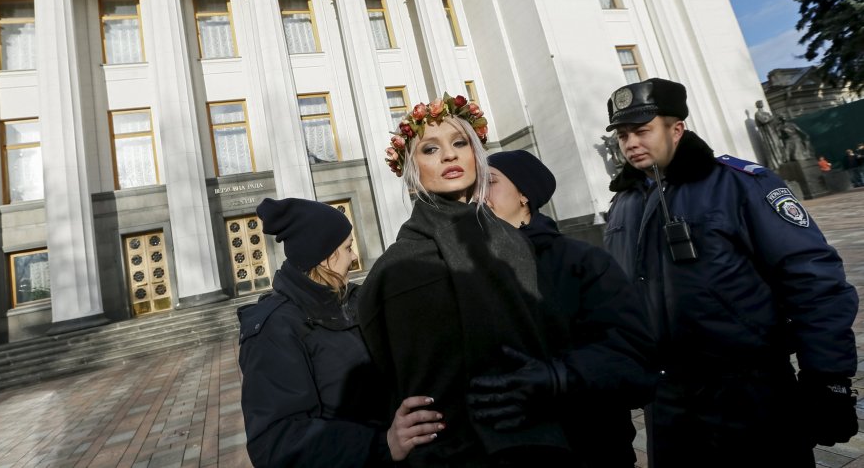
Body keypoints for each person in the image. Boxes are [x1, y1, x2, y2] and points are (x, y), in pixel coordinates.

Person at [603, 78, 858, 468]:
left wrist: (829, 379)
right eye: (622, 135)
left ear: (676, 129)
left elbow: (811, 277)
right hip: (667, 398)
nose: (630, 143)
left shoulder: (739, 184)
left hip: (749, 390)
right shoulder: (624, 203)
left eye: (641, 131)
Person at [361, 93, 576, 467]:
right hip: (448, 453)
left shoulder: (514, 242)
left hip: (536, 442)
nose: (449, 155)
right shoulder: (396, 267)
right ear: (411, 172)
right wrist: (388, 433)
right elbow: (377, 371)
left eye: (460, 143)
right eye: (430, 149)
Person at [477, 149, 655, 467]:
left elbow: (634, 364)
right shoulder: (471, 273)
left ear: (524, 195)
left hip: (590, 448)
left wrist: (561, 375)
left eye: (489, 182)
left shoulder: (584, 262)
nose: (478, 194)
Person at [238, 197, 444, 467]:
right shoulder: (275, 329)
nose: (355, 257)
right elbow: (276, 443)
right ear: (324, 256)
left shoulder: (353, 301)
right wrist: (382, 444)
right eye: (348, 248)